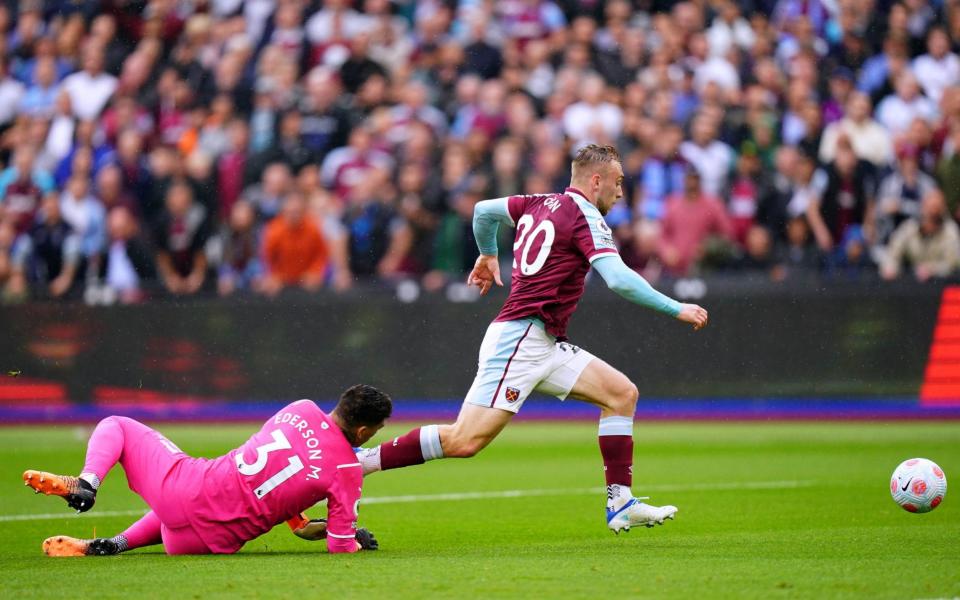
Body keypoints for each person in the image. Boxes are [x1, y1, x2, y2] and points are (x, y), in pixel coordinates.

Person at [355, 145, 709, 534]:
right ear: (596, 180)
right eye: (618, 183)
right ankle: (360, 463)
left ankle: (620, 502)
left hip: (543, 340)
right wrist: (676, 307)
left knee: (621, 394)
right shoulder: (585, 215)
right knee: (464, 440)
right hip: (521, 339)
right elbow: (620, 279)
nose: (621, 192)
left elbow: (483, 211)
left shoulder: (539, 202)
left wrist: (488, 254)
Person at [23, 384, 391, 556]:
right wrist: (353, 539)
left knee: (117, 426)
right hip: (207, 542)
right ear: (363, 432)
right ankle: (117, 543)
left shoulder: (300, 407)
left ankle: (87, 482)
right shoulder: (346, 468)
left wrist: (300, 522)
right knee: (182, 515)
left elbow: (283, 465)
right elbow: (339, 546)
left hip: (188, 493)